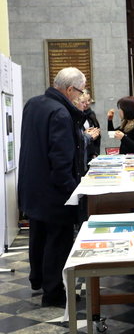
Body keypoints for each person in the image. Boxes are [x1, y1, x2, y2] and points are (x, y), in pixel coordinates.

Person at [18, 67, 86, 307]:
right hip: (54, 192)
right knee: (58, 241)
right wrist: (72, 191)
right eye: (80, 91)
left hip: (33, 186)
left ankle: (38, 280)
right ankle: (54, 293)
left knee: (38, 237)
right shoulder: (60, 113)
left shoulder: (34, 104)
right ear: (69, 89)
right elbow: (61, 160)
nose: (81, 96)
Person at [82, 90, 101, 162]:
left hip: (92, 152)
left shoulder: (91, 114)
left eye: (89, 100)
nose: (87, 103)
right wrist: (85, 134)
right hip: (83, 153)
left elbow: (98, 135)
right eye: (84, 101)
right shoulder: (74, 116)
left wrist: (95, 153)